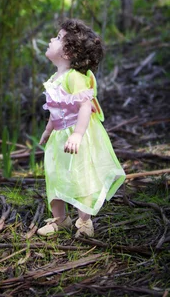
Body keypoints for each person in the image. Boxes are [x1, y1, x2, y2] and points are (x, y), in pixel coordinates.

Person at [38, 18, 125, 238]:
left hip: (77, 135)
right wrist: (48, 130)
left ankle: (84, 222)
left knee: (80, 175)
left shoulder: (74, 78)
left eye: (58, 38)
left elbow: (85, 105)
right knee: (54, 175)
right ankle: (60, 219)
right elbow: (56, 110)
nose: (51, 39)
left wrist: (77, 133)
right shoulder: (55, 78)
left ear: (67, 53)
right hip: (59, 136)